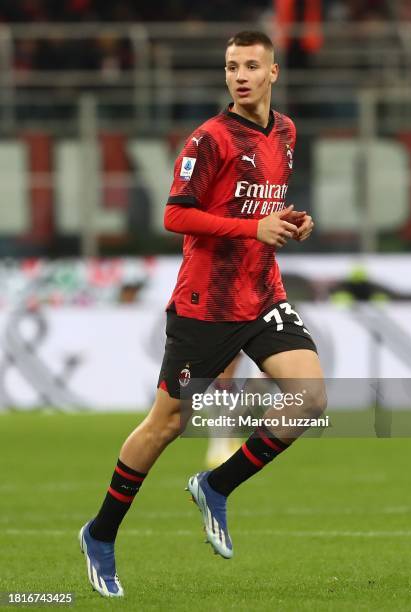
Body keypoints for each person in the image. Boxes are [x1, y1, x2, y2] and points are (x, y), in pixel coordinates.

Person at [79, 30, 326, 598]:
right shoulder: (208, 139)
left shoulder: (286, 131)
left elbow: (257, 205)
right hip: (205, 308)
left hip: (262, 295)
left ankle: (216, 485)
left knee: (309, 398)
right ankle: (100, 533)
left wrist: (289, 221)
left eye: (251, 66)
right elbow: (174, 214)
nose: (240, 75)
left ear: (273, 72)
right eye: (232, 66)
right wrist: (252, 228)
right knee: (166, 424)